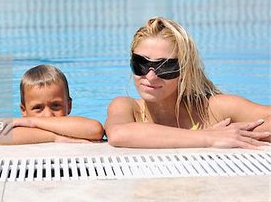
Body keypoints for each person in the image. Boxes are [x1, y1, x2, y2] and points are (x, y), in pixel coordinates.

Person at [105, 17, 271, 149]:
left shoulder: (211, 109)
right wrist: (209, 137)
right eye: (141, 63)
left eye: (166, 67)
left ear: (185, 70)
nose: (151, 76)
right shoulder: (127, 107)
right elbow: (119, 133)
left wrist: (239, 133)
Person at [0, 64, 103, 144]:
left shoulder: (73, 125)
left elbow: (95, 130)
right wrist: (55, 137)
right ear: (24, 110)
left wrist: (32, 121)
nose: (48, 114)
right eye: (38, 108)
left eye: (56, 105)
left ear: (69, 106)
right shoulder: (23, 128)